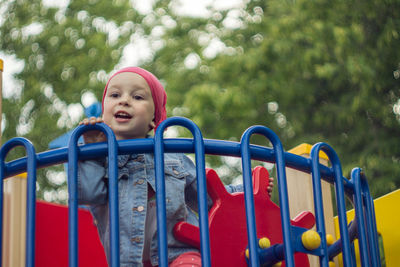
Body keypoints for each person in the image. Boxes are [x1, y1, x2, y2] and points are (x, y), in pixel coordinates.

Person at [77, 66, 274, 267]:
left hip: (178, 254)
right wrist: (91, 151)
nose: (124, 100)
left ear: (155, 119)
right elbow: (88, 194)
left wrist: (247, 190)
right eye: (115, 94)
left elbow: (209, 197)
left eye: (137, 97)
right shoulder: (100, 161)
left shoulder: (171, 157)